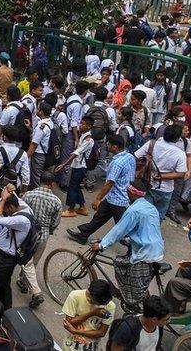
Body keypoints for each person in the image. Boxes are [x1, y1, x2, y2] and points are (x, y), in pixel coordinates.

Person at [91, 179, 164, 312]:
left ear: (132, 193)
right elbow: (148, 230)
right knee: (124, 264)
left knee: (119, 263)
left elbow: (118, 231)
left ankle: (130, 300)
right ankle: (129, 294)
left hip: (146, 253)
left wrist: (102, 245)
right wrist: (130, 240)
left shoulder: (133, 210)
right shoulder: (150, 207)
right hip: (156, 249)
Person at [67, 134, 135, 245]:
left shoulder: (117, 163)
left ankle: (133, 252)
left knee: (125, 228)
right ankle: (83, 235)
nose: (106, 146)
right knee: (99, 218)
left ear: (114, 147)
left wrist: (98, 198)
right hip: (115, 197)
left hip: (118, 200)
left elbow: (110, 182)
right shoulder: (130, 157)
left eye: (108, 144)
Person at [17, 171, 62, 310]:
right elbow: (56, 221)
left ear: (39, 181)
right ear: (52, 184)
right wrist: (49, 230)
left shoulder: (28, 195)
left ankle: (26, 283)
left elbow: (20, 212)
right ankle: (25, 282)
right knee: (32, 261)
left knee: (26, 260)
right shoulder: (57, 201)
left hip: (26, 233)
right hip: (42, 235)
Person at [0, 186, 31, 308]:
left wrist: (2, 201)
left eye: (5, 210)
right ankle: (6, 312)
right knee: (4, 285)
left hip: (3, 258)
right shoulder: (25, 208)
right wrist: (9, 190)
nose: (5, 212)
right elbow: (13, 195)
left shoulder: (20, 220)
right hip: (7, 258)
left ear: (10, 207)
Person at [135, 124, 188, 219]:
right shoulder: (180, 154)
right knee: (157, 218)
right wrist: (162, 177)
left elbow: (136, 156)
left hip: (147, 183)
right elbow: (181, 173)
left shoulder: (151, 144)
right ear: (177, 138)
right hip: (165, 189)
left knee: (142, 214)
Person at [61, 279, 115, 351]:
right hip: (70, 347)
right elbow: (69, 323)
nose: (100, 306)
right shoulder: (75, 296)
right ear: (90, 295)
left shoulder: (110, 306)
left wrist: (75, 331)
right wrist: (92, 313)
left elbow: (101, 333)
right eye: (98, 303)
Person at [105, 295, 171, 350]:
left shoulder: (158, 325)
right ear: (154, 319)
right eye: (166, 319)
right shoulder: (127, 328)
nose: (169, 321)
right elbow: (115, 349)